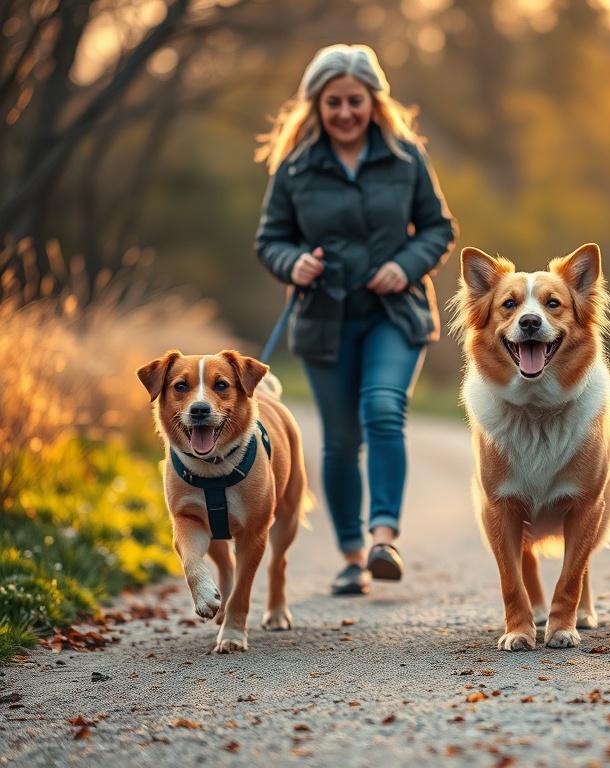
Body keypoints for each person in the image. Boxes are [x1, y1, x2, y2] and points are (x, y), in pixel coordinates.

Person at [255, 44, 456, 595]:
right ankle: (349, 555)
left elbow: (438, 228)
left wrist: (405, 264)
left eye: (356, 101)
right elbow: (270, 240)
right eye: (333, 102)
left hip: (395, 313)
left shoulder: (406, 157)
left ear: (375, 102)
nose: (345, 113)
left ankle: (382, 537)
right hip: (324, 320)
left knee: (383, 409)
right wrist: (292, 263)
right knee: (340, 441)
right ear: (316, 106)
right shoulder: (295, 168)